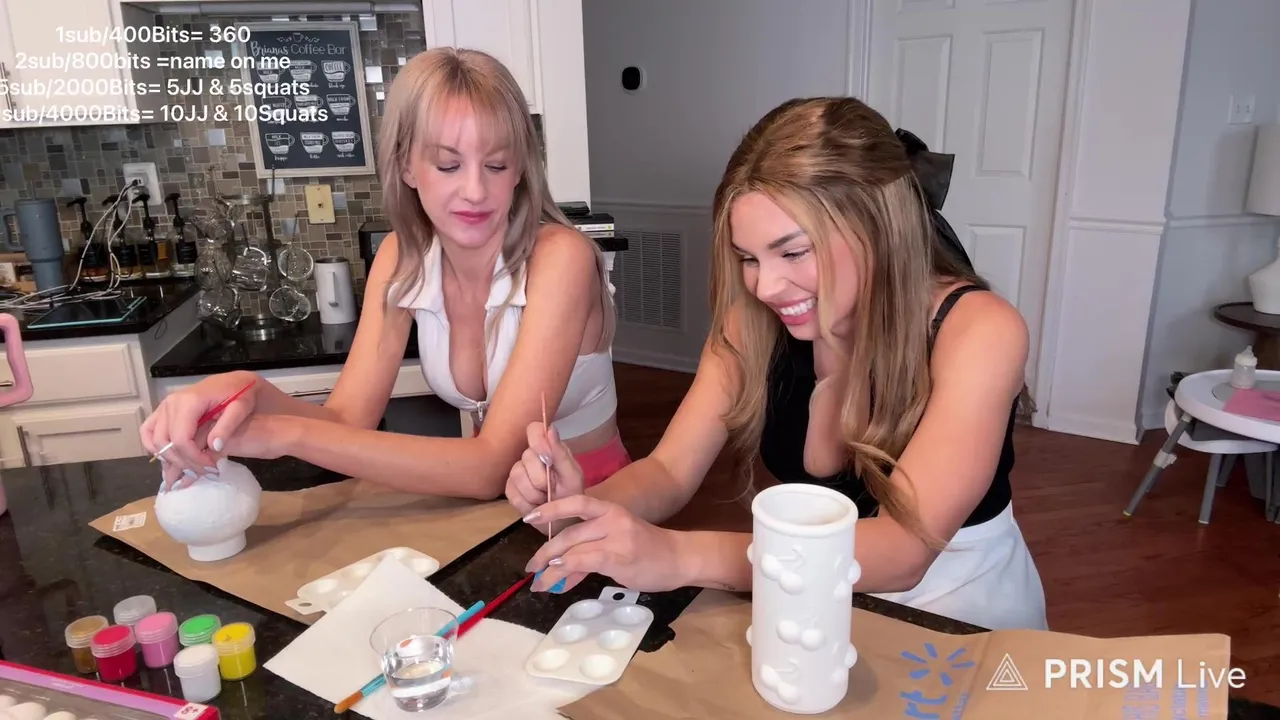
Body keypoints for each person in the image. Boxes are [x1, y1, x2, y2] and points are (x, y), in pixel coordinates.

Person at [506, 96, 1048, 631]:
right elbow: (668, 471)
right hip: (813, 602)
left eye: (792, 252)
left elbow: (903, 550)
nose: (765, 287)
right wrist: (581, 509)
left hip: (961, 619)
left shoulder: (978, 331)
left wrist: (678, 555)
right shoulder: (753, 324)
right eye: (748, 258)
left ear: (878, 227)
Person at [140, 47, 628, 499]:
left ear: (520, 169)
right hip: (493, 506)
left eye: (497, 165)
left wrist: (285, 434)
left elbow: (488, 466)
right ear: (407, 166)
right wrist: (245, 390)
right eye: (449, 165)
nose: (476, 191)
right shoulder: (401, 257)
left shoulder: (561, 259)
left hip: (594, 497)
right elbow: (347, 419)